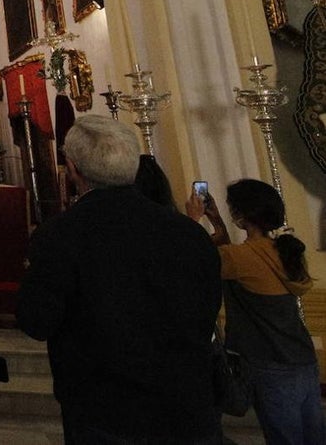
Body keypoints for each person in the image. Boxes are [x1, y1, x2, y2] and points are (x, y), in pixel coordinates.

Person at [17, 115, 222, 443]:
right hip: (187, 404)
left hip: (104, 411)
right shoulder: (189, 233)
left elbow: (36, 321)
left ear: (73, 169)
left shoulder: (59, 235)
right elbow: (207, 312)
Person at [186, 179, 325, 444]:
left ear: (241, 215)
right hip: (302, 357)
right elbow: (235, 260)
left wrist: (193, 220)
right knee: (313, 436)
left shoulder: (239, 258)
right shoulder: (284, 252)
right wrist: (217, 223)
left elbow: (194, 259)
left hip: (269, 362)